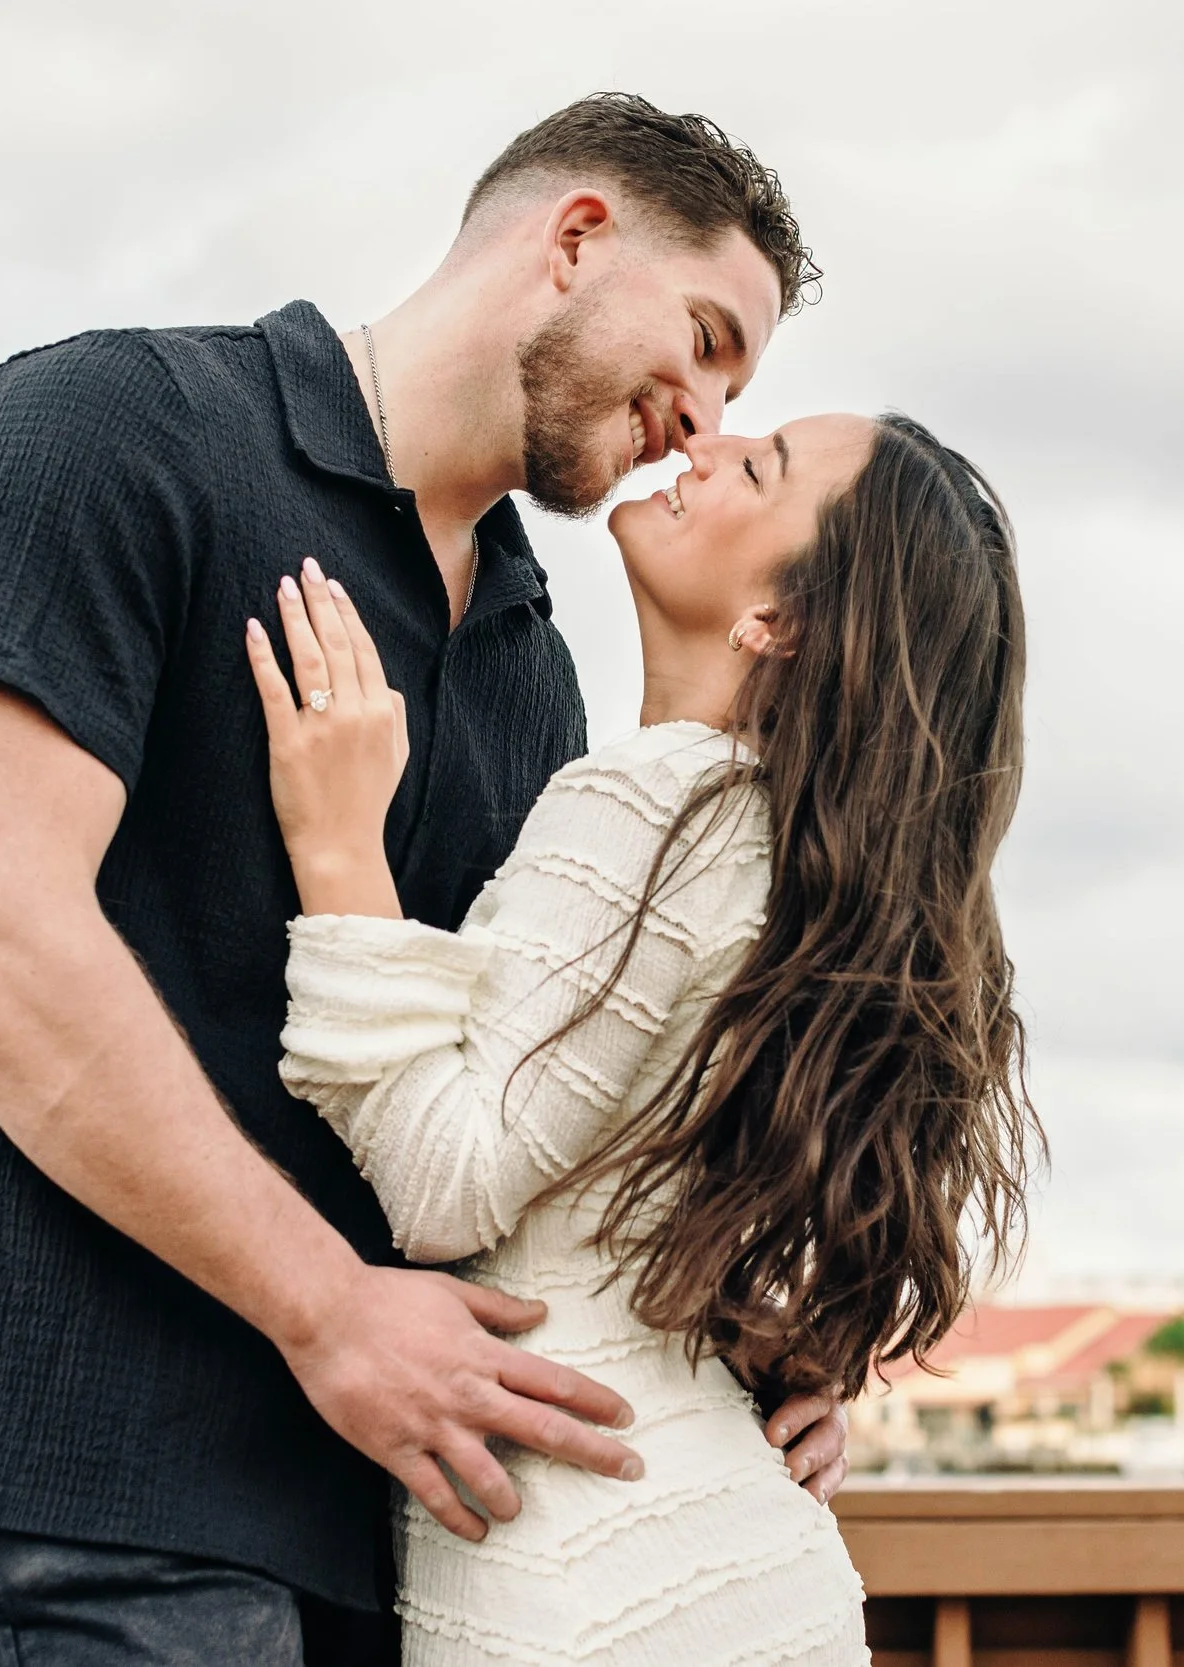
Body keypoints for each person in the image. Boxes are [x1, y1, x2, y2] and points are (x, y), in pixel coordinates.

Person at [0, 95, 852, 1666]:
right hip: (95, 1498)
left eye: (738, 390)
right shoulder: (111, 423)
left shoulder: (531, 669)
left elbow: (505, 1113)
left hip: (413, 1517)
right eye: (705, 339)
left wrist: (735, 1319)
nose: (704, 419)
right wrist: (327, 1308)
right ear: (573, 239)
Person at [246, 412, 1039, 1662]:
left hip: (583, 1570)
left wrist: (340, 845)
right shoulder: (793, 853)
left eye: (759, 468)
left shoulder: (652, 798)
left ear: (777, 623)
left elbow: (449, 1183)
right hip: (724, 1547)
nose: (708, 445)